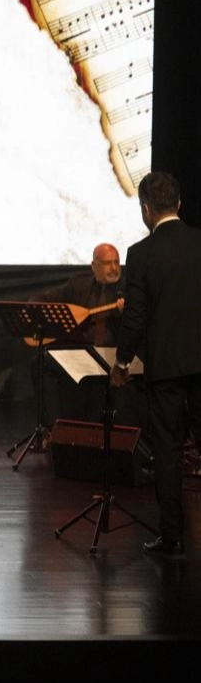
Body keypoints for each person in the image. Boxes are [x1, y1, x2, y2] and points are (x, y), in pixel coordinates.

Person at [111, 172, 201, 557]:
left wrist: (121, 361)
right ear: (179, 203)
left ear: (146, 209)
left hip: (165, 369)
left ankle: (172, 537)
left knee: (168, 451)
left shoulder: (141, 254)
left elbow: (134, 318)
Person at [30, 243, 126, 423]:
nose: (114, 268)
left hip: (113, 353)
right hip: (83, 351)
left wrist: (125, 313)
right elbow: (44, 298)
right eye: (107, 263)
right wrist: (34, 308)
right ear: (94, 266)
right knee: (41, 362)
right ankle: (55, 427)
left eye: (117, 262)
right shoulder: (79, 284)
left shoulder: (128, 288)